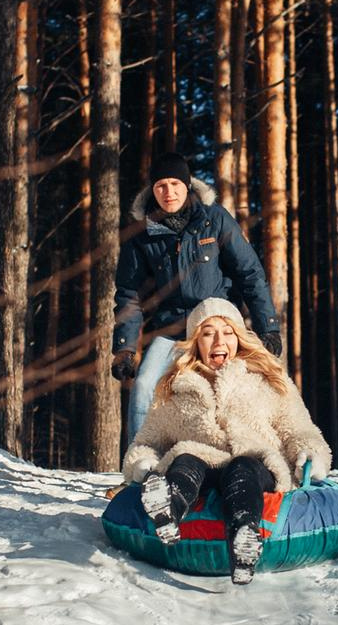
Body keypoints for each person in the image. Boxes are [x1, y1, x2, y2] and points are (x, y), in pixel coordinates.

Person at [122, 298, 330, 583]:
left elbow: (299, 429)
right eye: (208, 333)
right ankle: (168, 510)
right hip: (205, 464)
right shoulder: (176, 389)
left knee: (242, 467)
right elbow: (147, 440)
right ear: (196, 343)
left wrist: (310, 453)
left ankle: (244, 536)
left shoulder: (267, 379)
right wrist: (143, 463)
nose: (219, 341)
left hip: (257, 464)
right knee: (185, 459)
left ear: (239, 338)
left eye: (228, 332)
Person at [111, 154, 280, 448]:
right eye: (161, 185)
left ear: (187, 185)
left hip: (217, 325)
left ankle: (256, 453)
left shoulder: (215, 219)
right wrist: (124, 349)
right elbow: (129, 294)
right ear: (152, 190)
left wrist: (268, 326)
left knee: (251, 383)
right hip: (172, 329)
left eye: (175, 184)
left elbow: (250, 273)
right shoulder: (142, 233)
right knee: (144, 386)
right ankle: (140, 463)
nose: (169, 192)